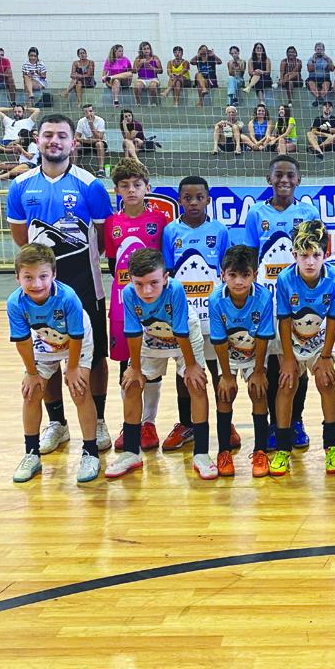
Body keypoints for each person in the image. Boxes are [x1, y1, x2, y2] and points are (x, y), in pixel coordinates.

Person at [7, 112, 115, 457]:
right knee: (46, 352)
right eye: (48, 135)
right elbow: (22, 239)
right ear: (37, 139)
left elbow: (101, 237)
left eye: (62, 136)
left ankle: (97, 420)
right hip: (42, 288)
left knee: (95, 355)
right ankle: (57, 423)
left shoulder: (91, 185)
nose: (54, 141)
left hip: (85, 283)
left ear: (73, 142)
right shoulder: (20, 186)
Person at [109, 249, 212, 480]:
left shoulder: (175, 289)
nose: (147, 290)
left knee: (196, 384)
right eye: (140, 284)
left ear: (165, 277)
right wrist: (134, 368)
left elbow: (181, 331)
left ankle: (202, 453)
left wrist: (192, 366)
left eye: (154, 283)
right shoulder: (128, 294)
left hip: (184, 333)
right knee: (132, 384)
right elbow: (133, 332)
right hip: (151, 334)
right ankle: (130, 453)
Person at [7, 244, 100, 484]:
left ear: (54, 275)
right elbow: (23, 341)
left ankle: (91, 452)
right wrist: (31, 373)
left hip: (76, 339)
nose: (36, 284)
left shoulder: (68, 297)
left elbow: (77, 336)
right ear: (17, 277)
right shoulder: (15, 303)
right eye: (28, 277)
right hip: (44, 339)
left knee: (79, 390)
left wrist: (72, 368)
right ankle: (31, 454)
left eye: (43, 276)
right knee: (31, 393)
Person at [244, 155, 319, 448]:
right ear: (269, 179)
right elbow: (251, 257)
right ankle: (277, 424)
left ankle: (296, 420)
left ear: (298, 180)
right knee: (275, 367)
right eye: (279, 175)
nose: (284, 180)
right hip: (267, 304)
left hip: (300, 302)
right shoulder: (256, 214)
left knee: (298, 366)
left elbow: (315, 255)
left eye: (290, 175)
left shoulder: (309, 212)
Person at [103, 158, 172, 456]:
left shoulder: (160, 221)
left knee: (152, 365)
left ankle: (148, 423)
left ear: (147, 188)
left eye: (136, 185)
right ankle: (129, 423)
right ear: (116, 189)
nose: (130, 190)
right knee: (126, 366)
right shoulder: (112, 223)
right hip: (122, 306)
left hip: (156, 308)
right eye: (124, 185)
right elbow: (112, 264)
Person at [162, 175, 233, 453]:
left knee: (215, 369)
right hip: (183, 315)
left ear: (208, 199)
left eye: (199, 197)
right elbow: (168, 272)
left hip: (212, 313)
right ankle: (186, 423)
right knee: (185, 370)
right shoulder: (170, 231)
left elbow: (226, 273)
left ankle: (226, 423)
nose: (193, 203)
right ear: (180, 200)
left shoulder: (220, 230)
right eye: (187, 198)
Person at [273, 219, 335, 477]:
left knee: (326, 382)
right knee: (287, 383)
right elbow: (282, 319)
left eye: (316, 255)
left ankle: (332, 446)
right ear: (294, 255)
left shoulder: (334, 277)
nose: (310, 261)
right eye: (304, 255)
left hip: (319, 339)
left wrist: (325, 356)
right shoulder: (284, 278)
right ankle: (283, 448)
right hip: (291, 338)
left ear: (326, 254)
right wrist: (289, 358)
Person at [209, 244, 275, 479]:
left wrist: (258, 372)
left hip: (255, 353)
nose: (239, 281)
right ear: (222, 274)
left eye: (245, 275)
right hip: (228, 354)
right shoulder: (216, 299)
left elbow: (264, 338)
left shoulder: (264, 297)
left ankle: (260, 450)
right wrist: (227, 376)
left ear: (255, 275)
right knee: (224, 394)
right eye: (233, 275)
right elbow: (217, 340)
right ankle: (223, 451)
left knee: (258, 392)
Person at [74, 103, 108, 177]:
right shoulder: (81, 121)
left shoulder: (100, 120)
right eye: (86, 112)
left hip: (99, 142)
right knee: (75, 145)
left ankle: (101, 170)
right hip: (86, 142)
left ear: (94, 111)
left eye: (90, 111)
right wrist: (87, 141)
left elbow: (99, 138)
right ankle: (73, 169)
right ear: (84, 113)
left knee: (99, 144)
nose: (88, 113)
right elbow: (76, 137)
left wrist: (91, 125)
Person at [132, 41, 162, 107]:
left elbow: (161, 71)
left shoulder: (155, 58)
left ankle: (154, 103)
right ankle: (138, 103)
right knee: (136, 86)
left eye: (148, 48)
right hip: (141, 79)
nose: (146, 50)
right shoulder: (138, 59)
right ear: (141, 50)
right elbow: (134, 71)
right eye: (144, 49)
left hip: (153, 79)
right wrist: (140, 63)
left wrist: (153, 68)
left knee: (152, 86)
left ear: (150, 49)